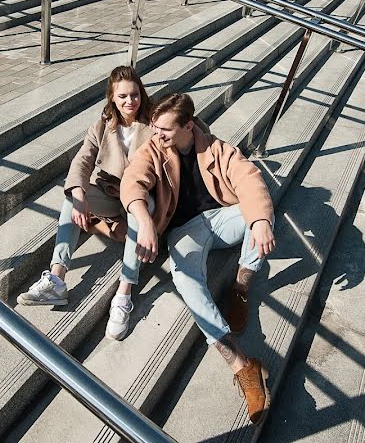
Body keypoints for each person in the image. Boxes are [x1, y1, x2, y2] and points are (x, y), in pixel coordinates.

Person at [117, 92, 276, 426]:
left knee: (259, 212)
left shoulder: (214, 148)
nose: (156, 134)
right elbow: (132, 180)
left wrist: (260, 221)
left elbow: (248, 178)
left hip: (220, 219)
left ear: (188, 125)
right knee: (186, 281)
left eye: (165, 129)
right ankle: (242, 366)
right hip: (183, 232)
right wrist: (145, 220)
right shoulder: (153, 149)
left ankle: (240, 287)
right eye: (154, 127)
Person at [17, 66, 153, 307]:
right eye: (122, 96)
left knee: (135, 214)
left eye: (135, 94)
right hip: (112, 193)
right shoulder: (103, 126)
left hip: (143, 196)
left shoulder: (152, 122)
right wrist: (79, 197)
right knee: (71, 199)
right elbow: (82, 160)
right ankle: (57, 279)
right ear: (112, 97)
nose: (130, 101)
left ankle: (126, 290)